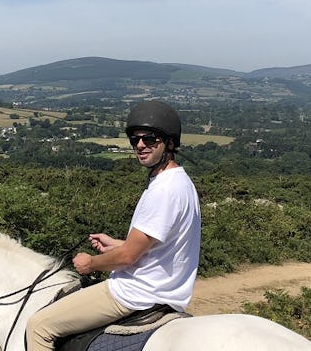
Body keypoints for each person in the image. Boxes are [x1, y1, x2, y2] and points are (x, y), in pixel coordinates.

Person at [26, 100, 202, 351]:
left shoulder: (163, 190)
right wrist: (116, 245)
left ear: (170, 143)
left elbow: (129, 257)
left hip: (136, 292)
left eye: (150, 139)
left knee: (38, 327)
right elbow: (159, 245)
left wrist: (91, 263)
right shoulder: (181, 182)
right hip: (165, 290)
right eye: (135, 139)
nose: (140, 145)